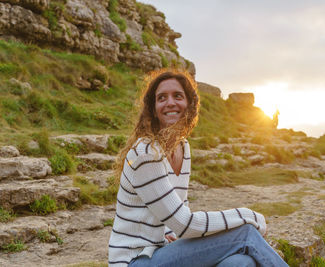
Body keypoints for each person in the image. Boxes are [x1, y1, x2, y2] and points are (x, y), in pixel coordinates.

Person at [108, 69, 288, 267]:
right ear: (153, 108)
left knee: (240, 262)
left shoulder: (182, 147)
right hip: (135, 261)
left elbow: (177, 207)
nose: (170, 103)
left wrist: (171, 233)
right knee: (245, 234)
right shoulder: (146, 153)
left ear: (189, 104)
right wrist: (249, 216)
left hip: (161, 251)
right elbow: (185, 223)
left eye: (178, 96)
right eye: (161, 98)